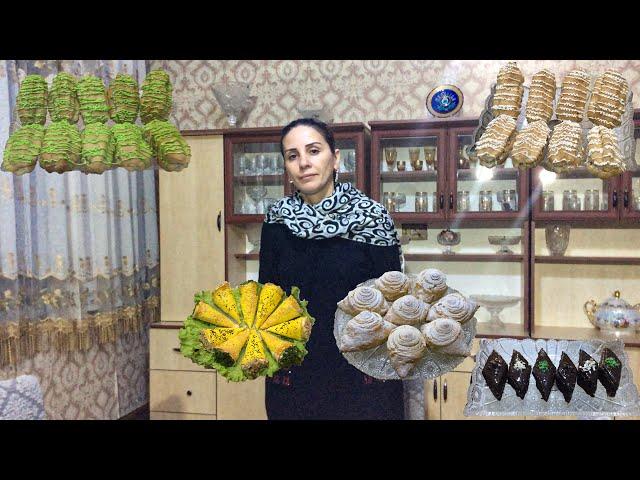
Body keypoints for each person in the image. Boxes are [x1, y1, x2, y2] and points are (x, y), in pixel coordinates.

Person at [258, 118, 405, 420]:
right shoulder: (276, 220)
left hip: (361, 375)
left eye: (313, 151)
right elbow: (267, 297)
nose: (304, 163)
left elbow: (395, 305)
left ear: (335, 158)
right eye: (293, 155)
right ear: (286, 166)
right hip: (296, 374)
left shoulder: (372, 218)